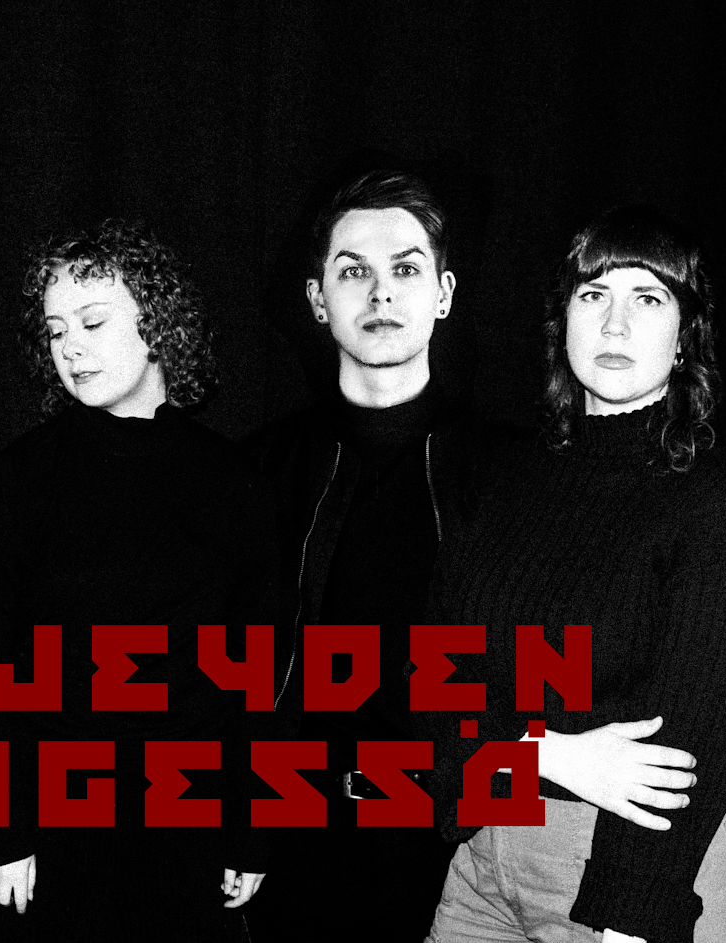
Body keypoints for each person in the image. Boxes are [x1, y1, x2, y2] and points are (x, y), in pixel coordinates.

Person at [418, 205, 726, 943]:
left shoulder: (716, 500)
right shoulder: (505, 482)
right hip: (489, 850)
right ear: (563, 324)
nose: (615, 324)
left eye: (648, 298)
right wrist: (545, 754)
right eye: (594, 295)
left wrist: (632, 918)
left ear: (685, 337)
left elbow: (691, 742)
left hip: (638, 868)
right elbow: (434, 677)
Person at [0, 220, 287, 942]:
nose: (70, 347)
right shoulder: (20, 478)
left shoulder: (230, 479)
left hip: (191, 825)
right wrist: (1, 828)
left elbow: (260, 673)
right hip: (53, 832)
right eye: (55, 331)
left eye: (93, 321)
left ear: (158, 323)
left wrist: (253, 828)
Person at [244, 168, 484, 940]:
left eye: (406, 269)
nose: (381, 292)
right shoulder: (258, 473)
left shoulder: (513, 473)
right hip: (298, 860)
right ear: (318, 299)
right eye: (353, 271)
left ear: (444, 293)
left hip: (466, 858)